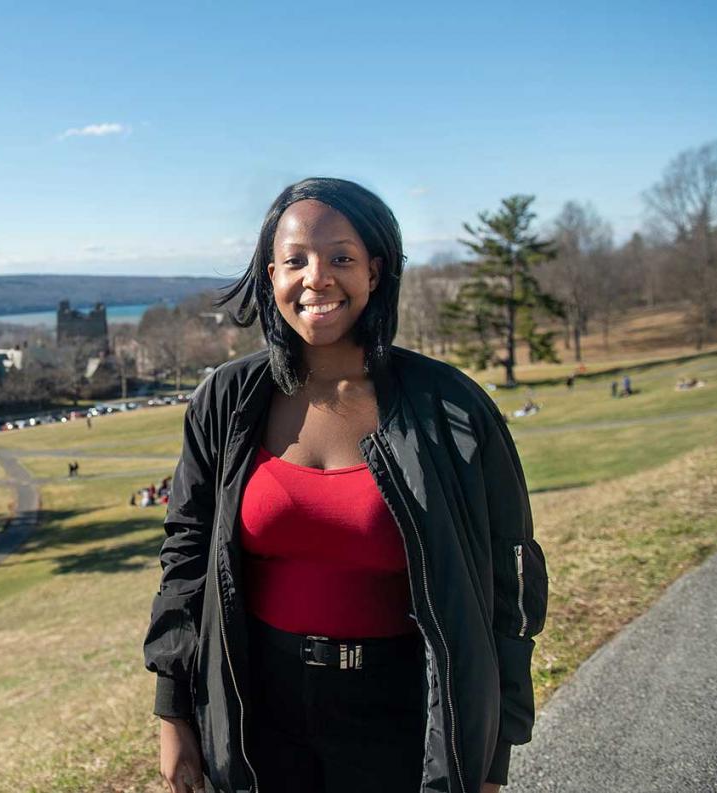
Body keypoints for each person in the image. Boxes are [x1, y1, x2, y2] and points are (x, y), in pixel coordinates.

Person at [144, 178, 546, 793]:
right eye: (295, 260)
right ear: (268, 274)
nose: (317, 279)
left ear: (375, 272)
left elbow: (510, 583)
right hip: (258, 711)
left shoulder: (451, 409)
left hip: (404, 714)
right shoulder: (226, 403)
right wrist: (174, 711)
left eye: (341, 258)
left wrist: (492, 755)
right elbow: (186, 558)